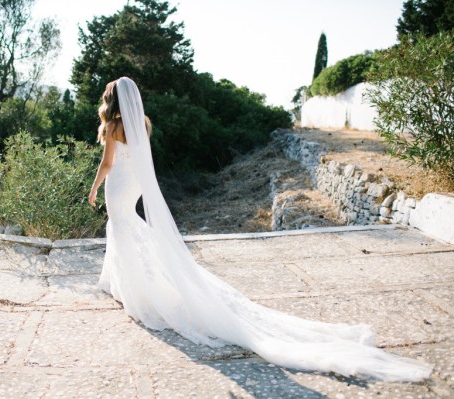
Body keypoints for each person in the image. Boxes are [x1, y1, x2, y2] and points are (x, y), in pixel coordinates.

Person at [88, 76, 433, 382]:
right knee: (129, 227)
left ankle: (132, 290)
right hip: (133, 184)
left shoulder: (111, 126)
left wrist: (93, 187)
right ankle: (123, 282)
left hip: (118, 184)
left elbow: (107, 163)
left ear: (113, 99)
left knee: (121, 226)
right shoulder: (140, 124)